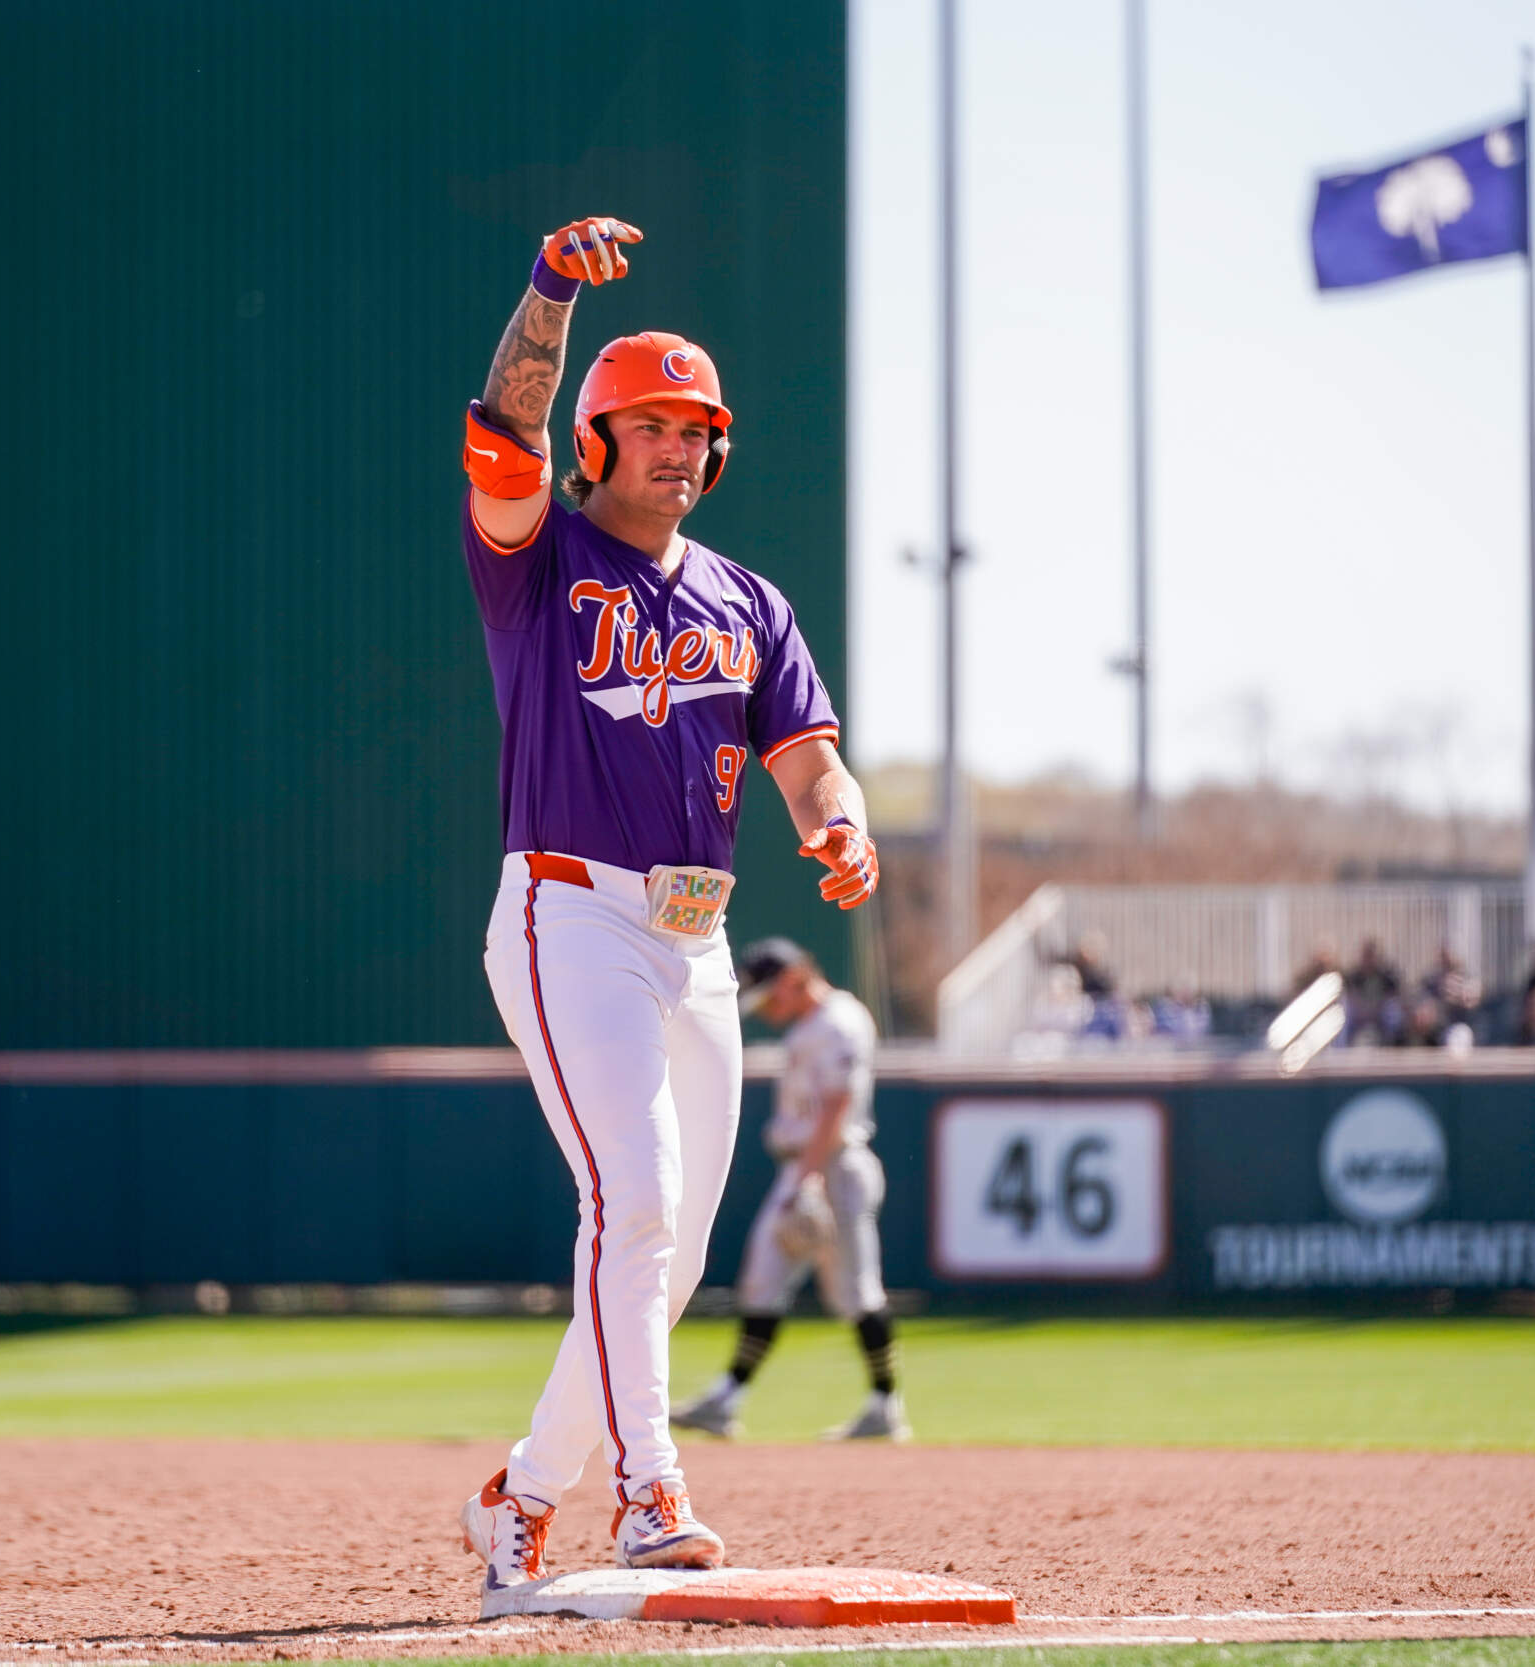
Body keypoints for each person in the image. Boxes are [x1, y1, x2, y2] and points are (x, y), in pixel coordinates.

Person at [454, 216, 878, 1601]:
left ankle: (521, 1494)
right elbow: (504, 425)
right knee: (629, 1201)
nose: (679, 447)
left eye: (697, 429)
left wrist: (839, 819)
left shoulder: (750, 600)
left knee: (671, 1247)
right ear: (595, 440)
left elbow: (808, 756)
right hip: (568, 913)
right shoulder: (538, 558)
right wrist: (550, 294)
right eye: (649, 424)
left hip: (697, 942)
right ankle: (650, 1491)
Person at [673, 937, 904, 1443]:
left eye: (770, 995)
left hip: (833, 1167)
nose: (767, 1009)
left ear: (795, 978)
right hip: (805, 1168)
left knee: (856, 1291)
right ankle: (726, 1399)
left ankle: (886, 1405)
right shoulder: (809, 1026)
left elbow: (837, 1105)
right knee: (763, 1279)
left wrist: (809, 1179)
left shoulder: (839, 1020)